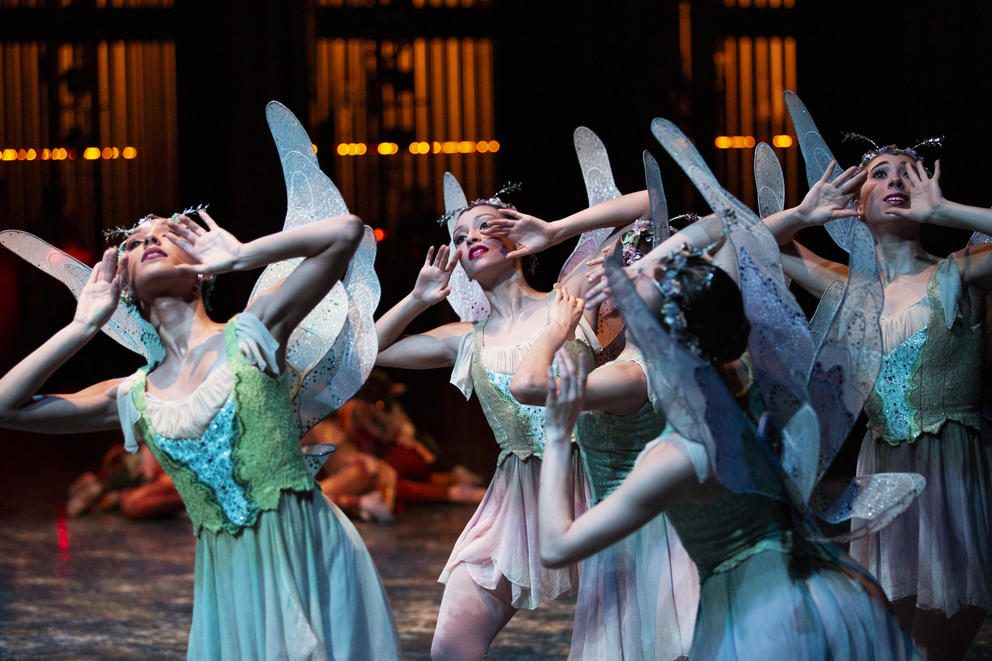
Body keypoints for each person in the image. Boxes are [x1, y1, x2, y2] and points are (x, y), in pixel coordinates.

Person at [0, 210, 400, 660]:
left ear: (201, 268)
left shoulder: (254, 328)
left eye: (168, 233)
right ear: (123, 283)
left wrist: (241, 255)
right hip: (228, 579)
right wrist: (82, 327)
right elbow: (6, 406)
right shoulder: (133, 395)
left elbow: (345, 232)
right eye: (133, 243)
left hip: (304, 548)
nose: (148, 241)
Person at [538, 239, 921, 660]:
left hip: (766, 617)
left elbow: (557, 548)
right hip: (820, 591)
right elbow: (722, 229)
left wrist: (558, 435)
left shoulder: (684, 450)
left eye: (645, 274)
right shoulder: (750, 387)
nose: (635, 271)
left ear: (659, 327)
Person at [375, 188, 650, 659]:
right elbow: (368, 355)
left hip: (596, 483)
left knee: (626, 643)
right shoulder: (462, 339)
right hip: (516, 499)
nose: (470, 239)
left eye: (485, 226)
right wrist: (417, 300)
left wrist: (555, 231)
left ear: (512, 238)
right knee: (451, 647)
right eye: (460, 237)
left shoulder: (569, 297)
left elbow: (648, 205)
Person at [764, 148, 992, 659]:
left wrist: (948, 211)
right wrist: (803, 215)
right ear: (854, 202)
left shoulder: (959, 272)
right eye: (877, 175)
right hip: (883, 475)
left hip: (949, 479)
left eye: (905, 173)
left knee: (937, 646)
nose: (894, 181)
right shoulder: (850, 288)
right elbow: (751, 242)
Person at [509, 226, 698, 660]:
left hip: (640, 542)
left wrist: (557, 329)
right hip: (653, 533)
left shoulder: (630, 375)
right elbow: (647, 206)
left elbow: (526, 384)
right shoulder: (674, 362)